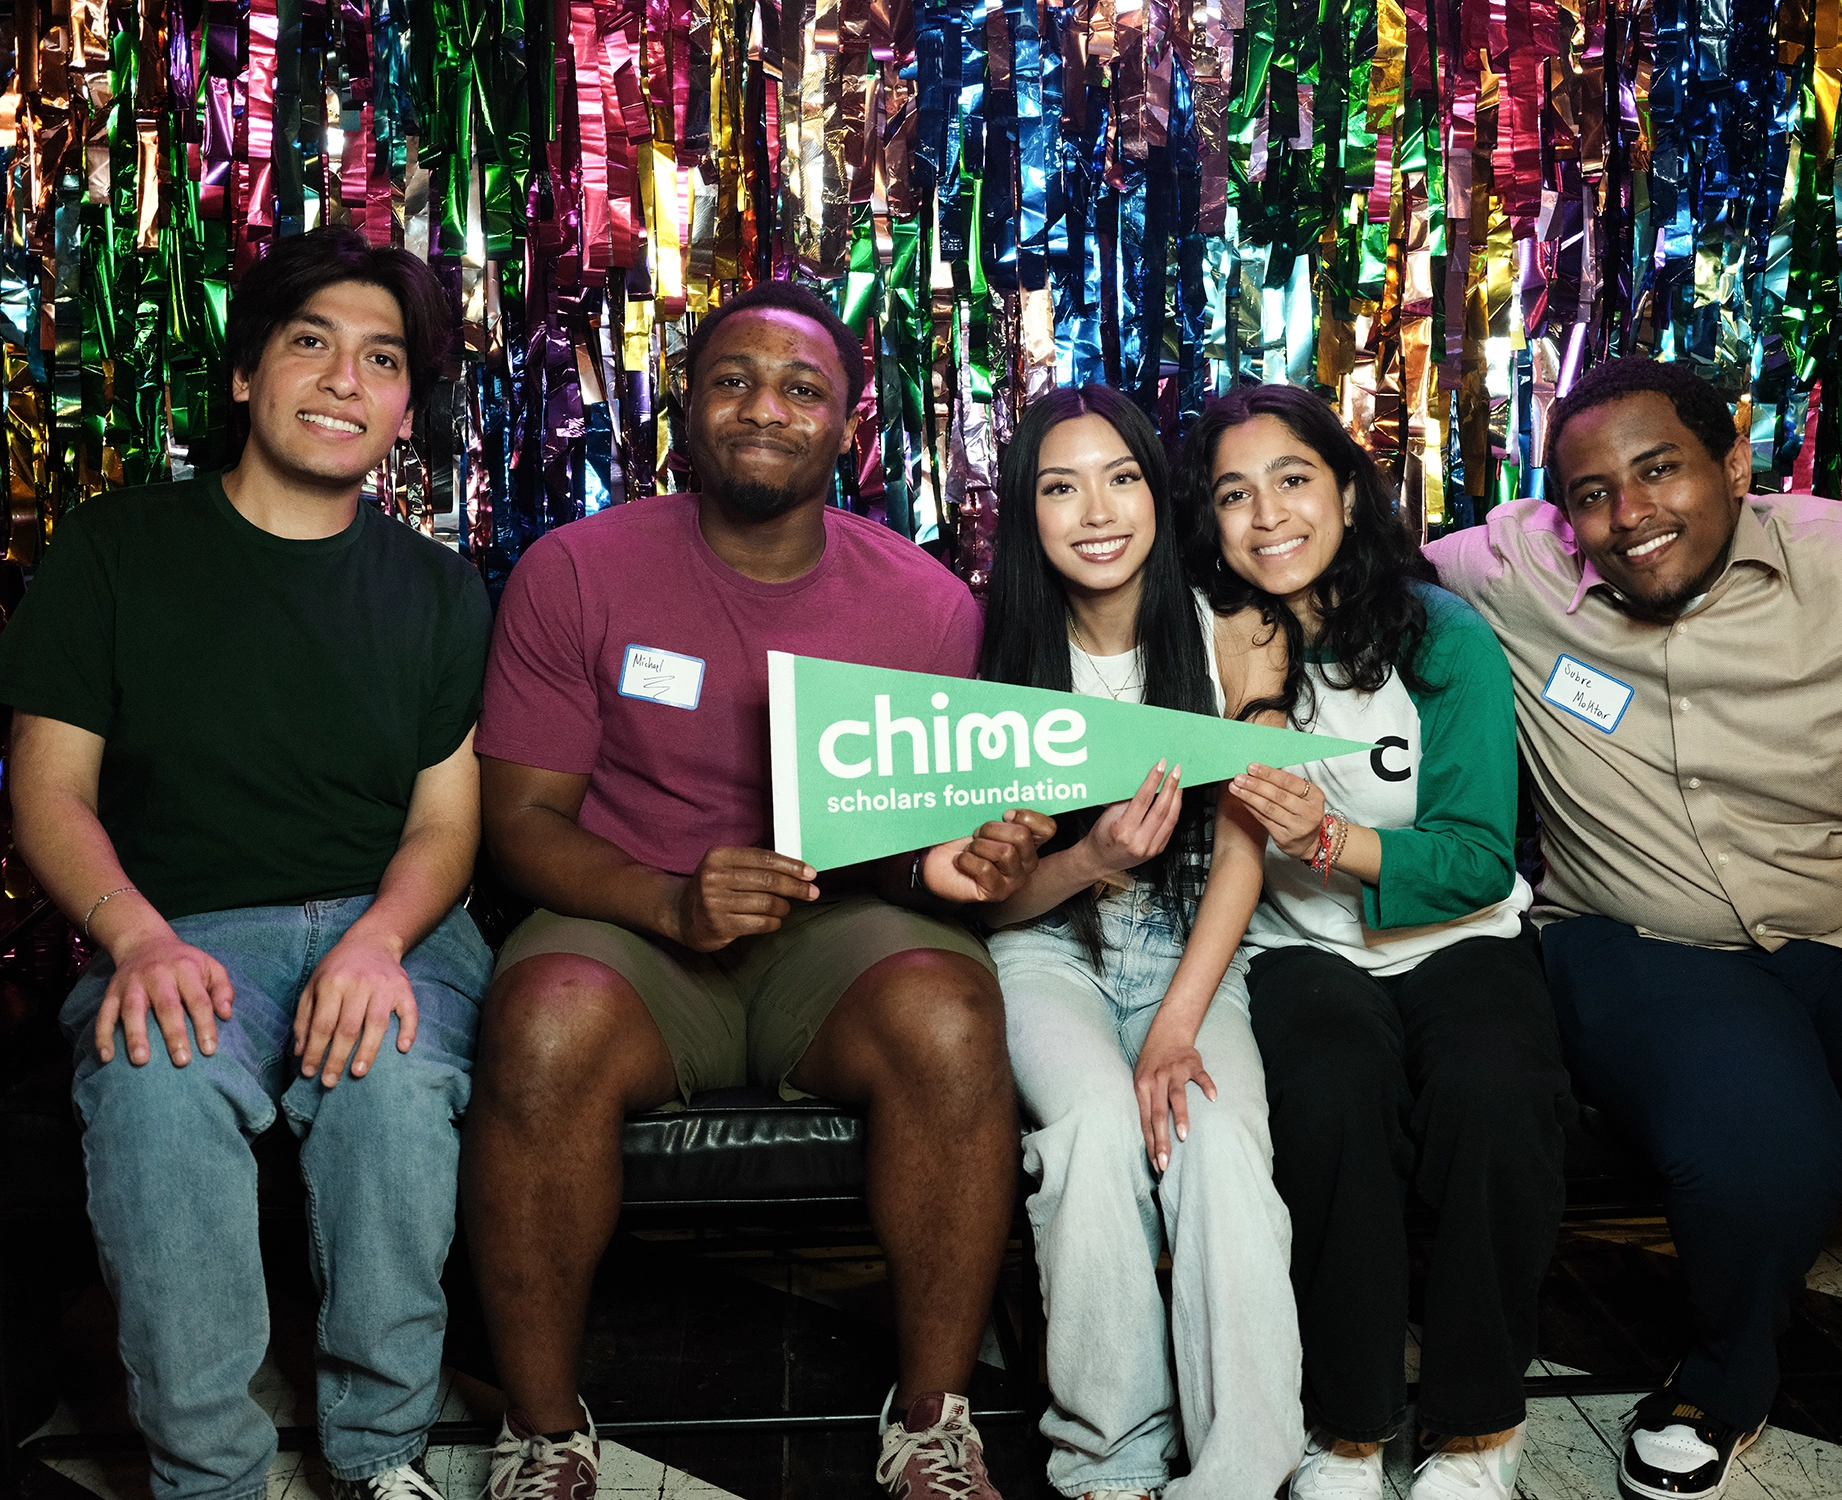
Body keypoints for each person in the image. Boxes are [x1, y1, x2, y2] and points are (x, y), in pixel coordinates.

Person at [464, 279, 1051, 1500]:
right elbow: (518, 825)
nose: (762, 408)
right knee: (539, 1026)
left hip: (836, 926)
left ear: (849, 426)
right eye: (730, 379)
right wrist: (671, 903)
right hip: (627, 919)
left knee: (952, 1017)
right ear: (682, 402)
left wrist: (953, 859)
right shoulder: (576, 571)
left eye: (801, 388)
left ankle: (933, 1423)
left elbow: (922, 837)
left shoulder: (928, 605)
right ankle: (540, 1431)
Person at [1426, 355, 1842, 1500]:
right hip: (1642, 938)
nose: (1626, 515)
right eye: (1589, 492)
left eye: (1657, 471)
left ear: (1733, 462)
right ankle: (1722, 1377)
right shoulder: (1504, 570)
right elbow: (1327, 571)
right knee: (1761, 1153)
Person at [0, 228, 489, 1500]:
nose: (343, 380)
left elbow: (446, 823)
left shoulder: (438, 591)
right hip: (179, 924)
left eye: (380, 360)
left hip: (395, 925)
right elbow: (48, 788)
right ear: (243, 376)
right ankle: (207, 1477)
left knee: (386, 1093)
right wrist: (137, 940)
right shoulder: (116, 552)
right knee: (154, 1087)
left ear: (402, 409)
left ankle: (383, 1455)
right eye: (310, 344)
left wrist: (379, 944)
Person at [1181, 383, 1572, 1500]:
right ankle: (1344, 1428)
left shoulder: (1443, 636)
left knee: (1495, 1096)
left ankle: (1475, 1431)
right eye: (1233, 496)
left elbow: (1473, 856)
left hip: (1456, 937)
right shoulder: (1210, 640)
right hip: (1297, 946)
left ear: (1347, 494)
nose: (1267, 518)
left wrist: (1334, 836)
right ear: (1207, 523)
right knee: (1330, 1098)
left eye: (1292, 481)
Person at [976, 385, 1304, 1499]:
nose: (1095, 510)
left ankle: (1241, 1470)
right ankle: (1105, 1460)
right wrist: (1087, 860)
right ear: (1026, 513)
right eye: (1059, 487)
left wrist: (1174, 1023)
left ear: (1157, 496)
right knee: (1092, 1130)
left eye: (1118, 477)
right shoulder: (995, 662)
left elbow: (1250, 848)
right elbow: (991, 911)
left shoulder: (1235, 631)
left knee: (1216, 1143)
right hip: (1048, 948)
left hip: (1198, 944)